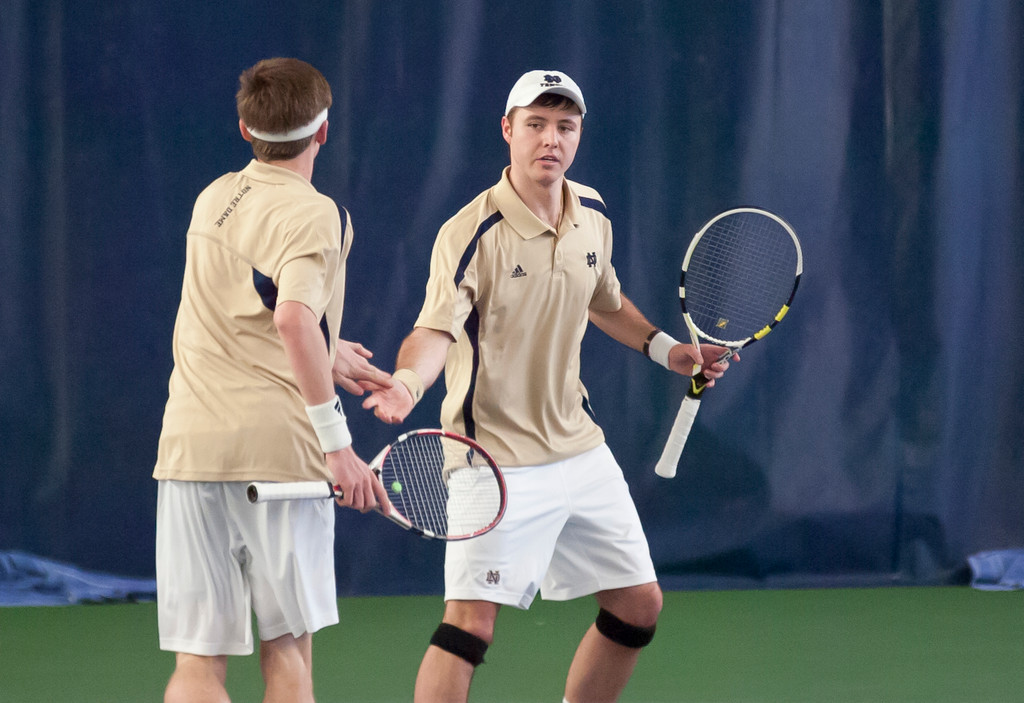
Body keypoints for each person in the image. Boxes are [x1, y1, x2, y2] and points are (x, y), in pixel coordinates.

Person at [363, 70, 736, 703]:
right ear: (508, 130)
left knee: (639, 604)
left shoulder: (591, 215)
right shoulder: (469, 232)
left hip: (578, 446)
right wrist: (405, 384)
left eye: (565, 127)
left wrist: (671, 351)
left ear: (579, 135)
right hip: (493, 461)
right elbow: (436, 330)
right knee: (469, 628)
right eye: (535, 124)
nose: (550, 140)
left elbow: (605, 300)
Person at [153, 57, 392, 703]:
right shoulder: (319, 215)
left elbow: (245, 307)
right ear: (322, 132)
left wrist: (329, 347)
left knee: (196, 663)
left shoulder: (214, 196)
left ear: (243, 128)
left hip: (192, 450)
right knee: (286, 648)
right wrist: (338, 445)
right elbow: (290, 316)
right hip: (282, 453)